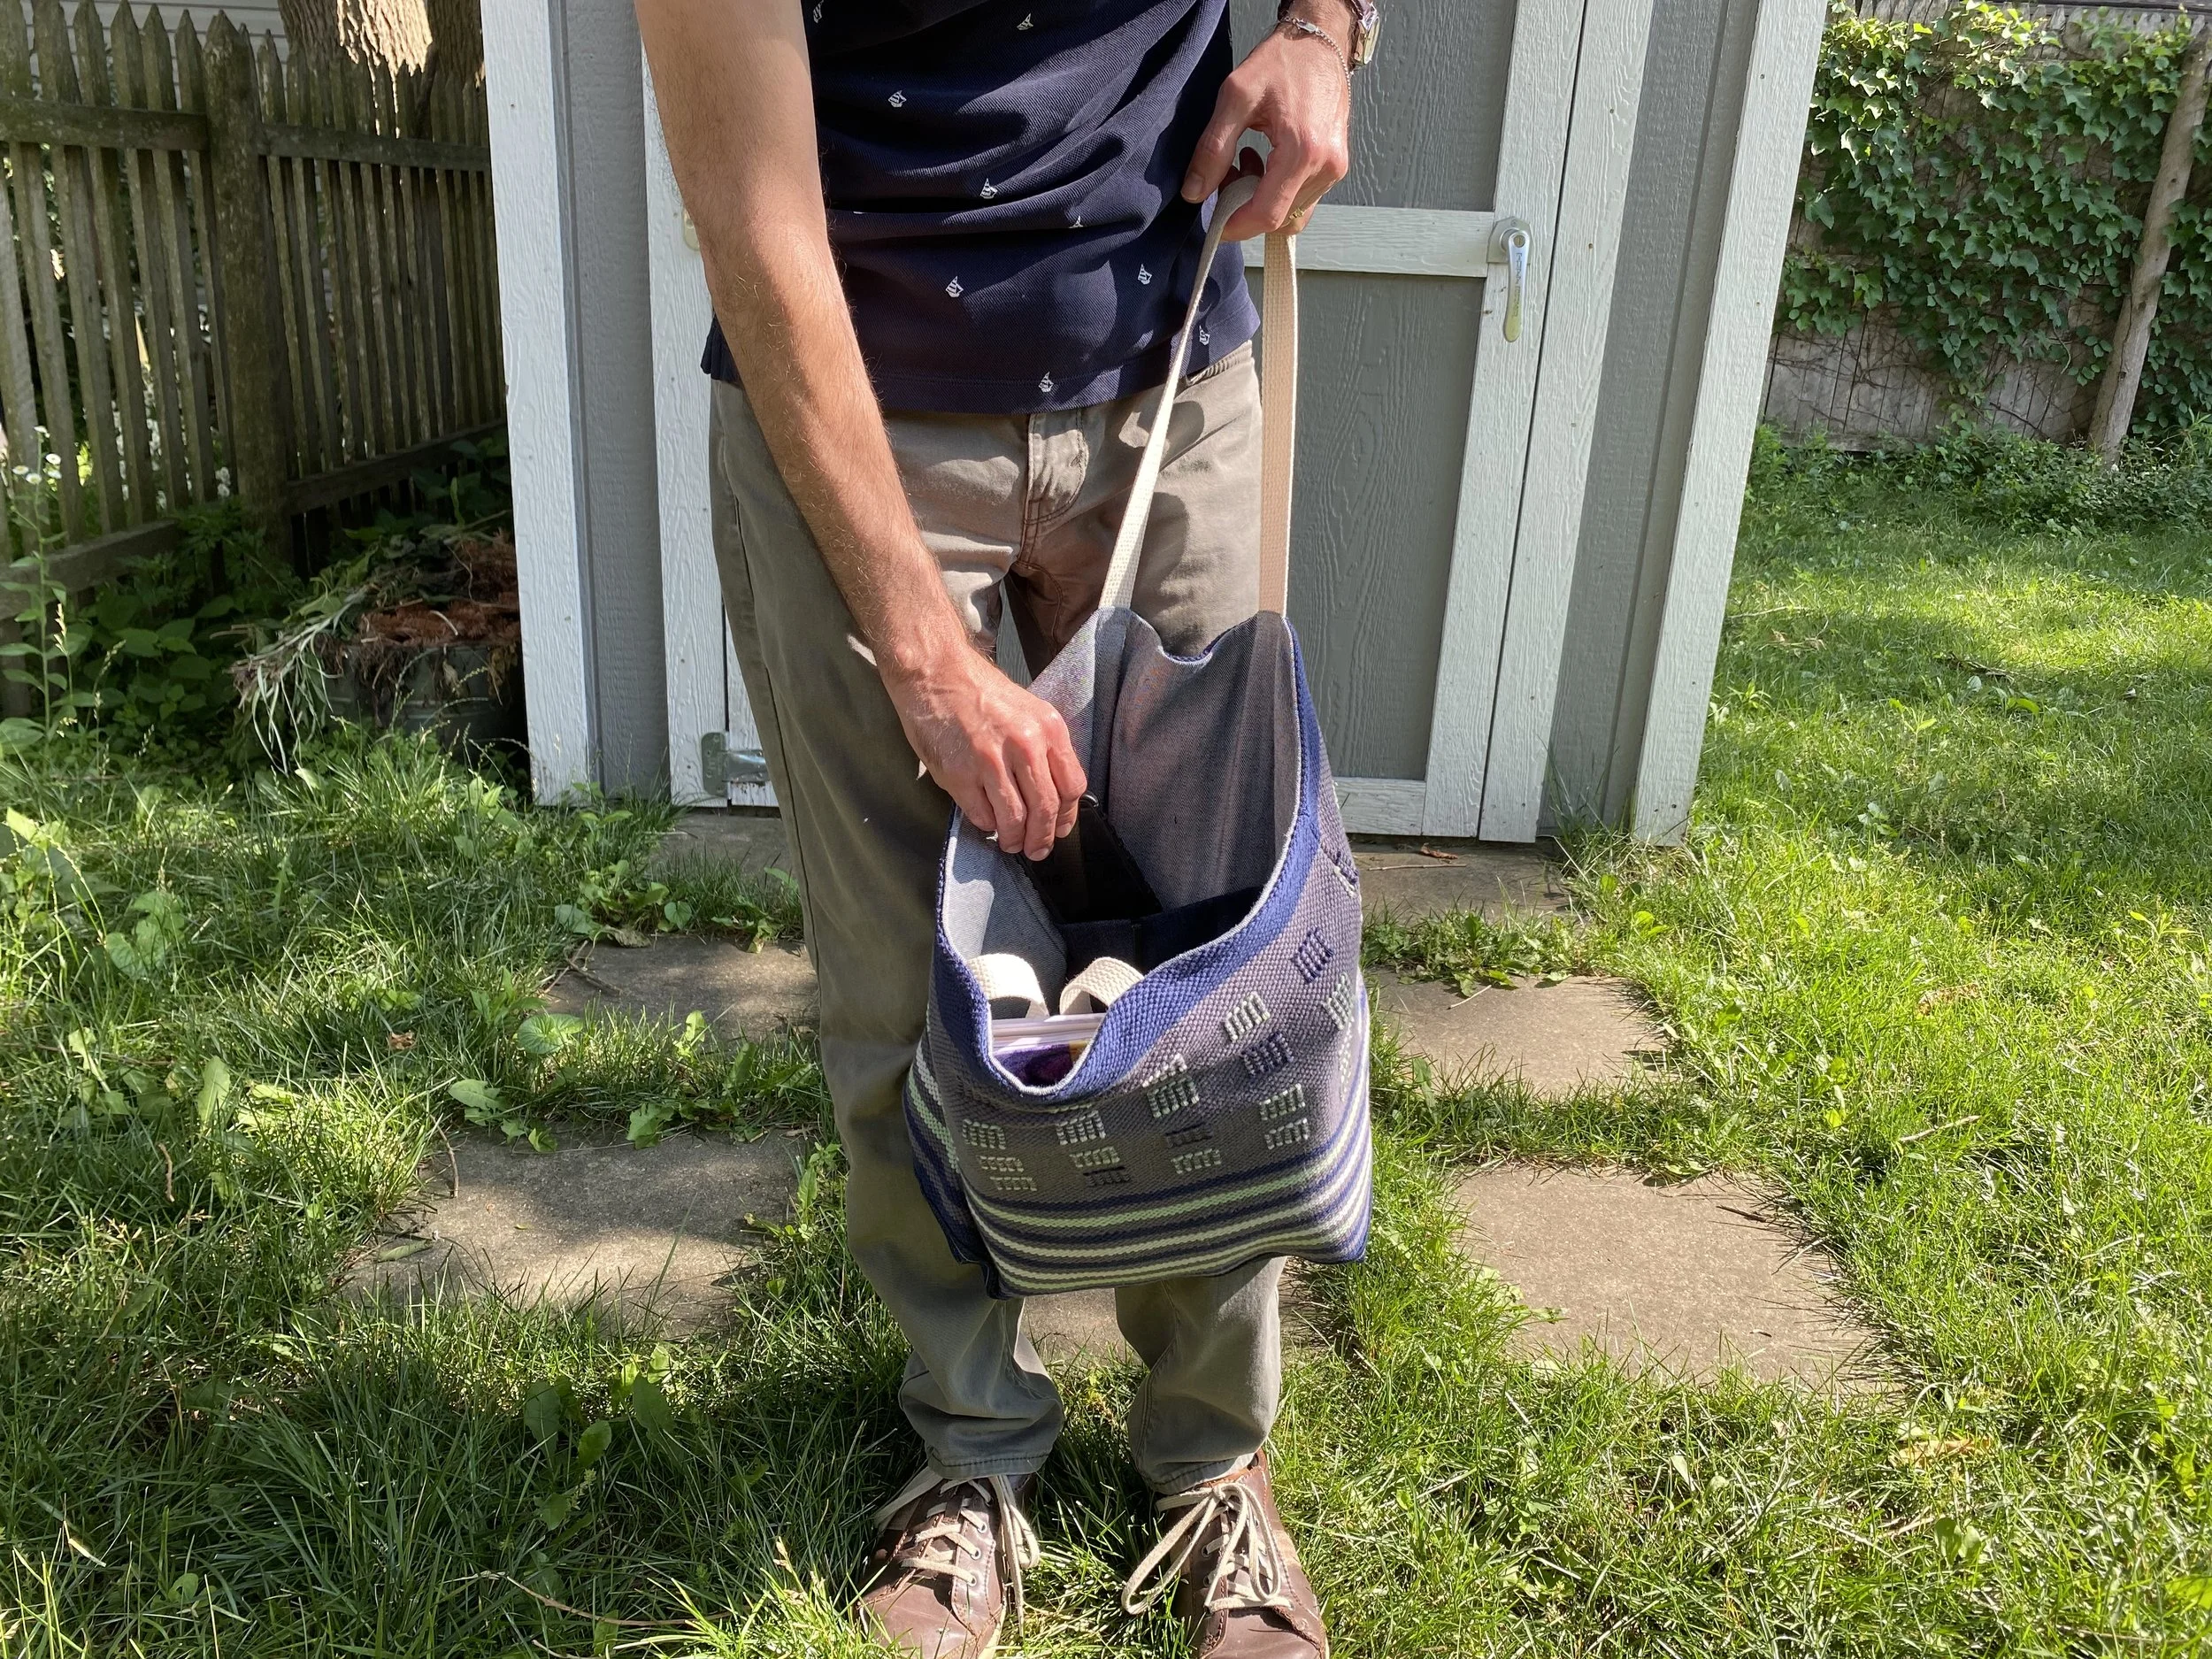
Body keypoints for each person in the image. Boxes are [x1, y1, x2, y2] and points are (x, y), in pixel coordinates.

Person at [634, 1, 1378, 1652]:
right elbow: (748, 202)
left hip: (1173, 359)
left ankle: (1212, 1460)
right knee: (908, 984)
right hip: (860, 412)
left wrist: (1325, 28)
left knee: (1224, 976)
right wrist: (920, 655)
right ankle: (970, 1446)